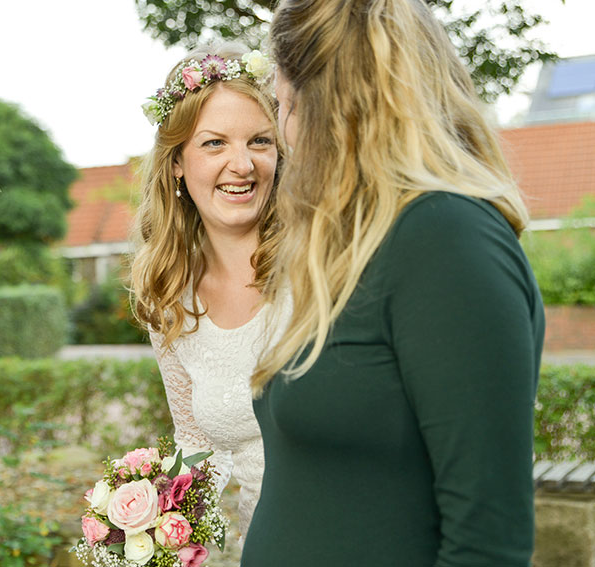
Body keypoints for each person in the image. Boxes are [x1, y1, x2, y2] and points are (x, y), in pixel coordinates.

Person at [242, 1, 545, 566]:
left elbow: (487, 541)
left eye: (284, 104)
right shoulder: (357, 247)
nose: (284, 133)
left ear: (331, 107)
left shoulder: (445, 239)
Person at [130, 42, 288, 541]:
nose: (242, 165)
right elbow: (199, 443)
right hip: (263, 541)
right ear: (177, 161)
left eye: (260, 141)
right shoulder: (167, 296)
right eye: (215, 143)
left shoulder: (321, 266)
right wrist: (145, 533)